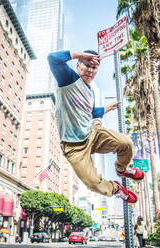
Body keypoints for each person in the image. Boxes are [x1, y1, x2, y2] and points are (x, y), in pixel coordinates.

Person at [47, 50, 145, 203]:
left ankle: (122, 168)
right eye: (87, 65)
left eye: (94, 68)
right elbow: (52, 59)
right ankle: (116, 189)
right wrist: (80, 54)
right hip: (73, 147)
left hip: (93, 133)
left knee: (125, 143)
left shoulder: (90, 91)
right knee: (93, 184)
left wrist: (107, 108)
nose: (90, 70)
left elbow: (91, 112)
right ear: (79, 65)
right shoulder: (68, 78)